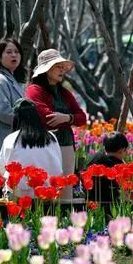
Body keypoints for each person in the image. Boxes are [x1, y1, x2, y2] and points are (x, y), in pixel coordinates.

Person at [26, 48, 87, 200]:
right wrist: (68, 118)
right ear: (46, 70)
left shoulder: (64, 93)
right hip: (44, 144)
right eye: (57, 66)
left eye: (62, 67)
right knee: (46, 188)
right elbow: (47, 117)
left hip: (66, 144)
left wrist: (67, 118)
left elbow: (82, 118)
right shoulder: (34, 90)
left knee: (65, 189)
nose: (61, 70)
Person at [0, 98, 63, 198]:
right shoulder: (51, 137)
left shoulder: (11, 139)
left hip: (18, 194)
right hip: (47, 194)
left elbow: (2, 168)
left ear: (16, 118)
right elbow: (58, 167)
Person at [0, 39, 25, 167]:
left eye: (16, 52)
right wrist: (29, 120)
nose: (14, 55)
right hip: (5, 140)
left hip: (16, 140)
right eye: (9, 52)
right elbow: (3, 112)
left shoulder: (12, 79)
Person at [85, 132, 129, 203]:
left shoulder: (95, 158)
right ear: (121, 150)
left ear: (105, 147)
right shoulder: (118, 165)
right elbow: (125, 190)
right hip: (110, 202)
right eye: (125, 150)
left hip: (90, 201)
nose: (126, 153)